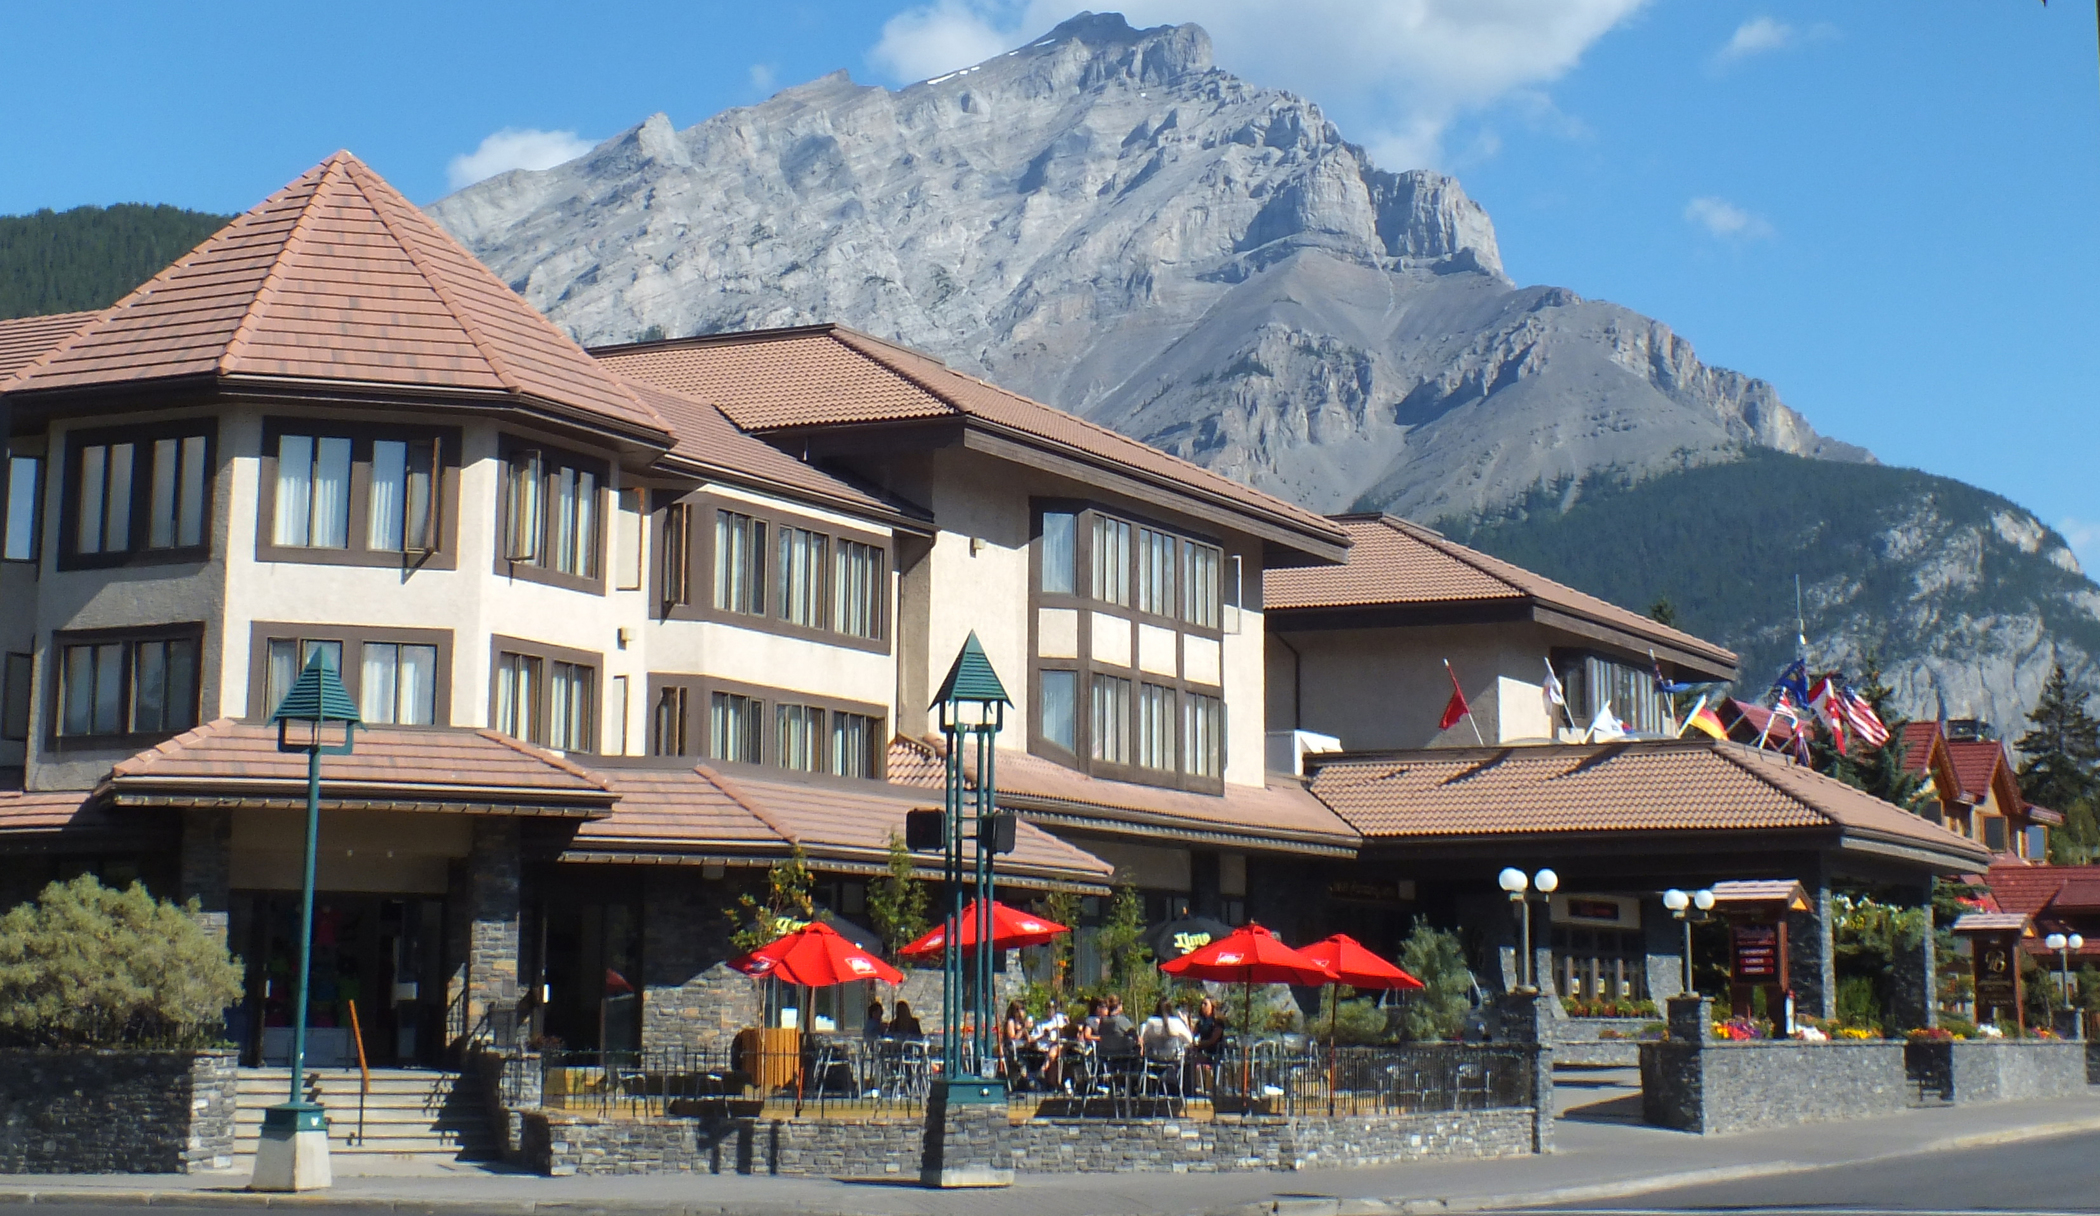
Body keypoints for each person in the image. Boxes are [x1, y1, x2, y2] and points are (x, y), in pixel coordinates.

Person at [1191, 996, 1227, 1094]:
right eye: (1202, 1003)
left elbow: (1213, 1040)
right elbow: (1192, 1035)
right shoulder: (1200, 1022)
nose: (1202, 1006)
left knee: (1194, 1058)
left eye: (1205, 1004)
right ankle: (1191, 1088)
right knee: (1189, 1058)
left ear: (1212, 1006)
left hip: (1214, 1052)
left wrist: (1199, 1044)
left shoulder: (1218, 1023)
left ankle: (1212, 1088)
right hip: (1202, 1051)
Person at [1097, 994, 1137, 1059]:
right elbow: (1134, 1035)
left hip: (1106, 1053)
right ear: (1118, 1006)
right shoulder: (1122, 1020)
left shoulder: (1103, 1021)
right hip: (1123, 1052)